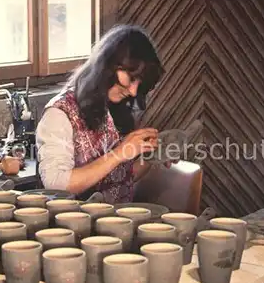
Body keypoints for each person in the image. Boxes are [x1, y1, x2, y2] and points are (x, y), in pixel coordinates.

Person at [35, 24, 173, 204]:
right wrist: (119, 153)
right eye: (131, 78)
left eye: (139, 82)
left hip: (117, 223)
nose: (133, 91)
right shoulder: (59, 114)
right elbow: (57, 184)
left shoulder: (115, 107)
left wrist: (151, 157)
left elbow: (120, 177)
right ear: (106, 65)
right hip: (74, 226)